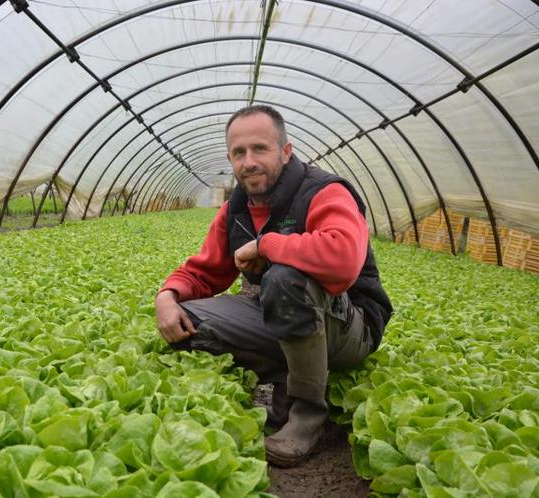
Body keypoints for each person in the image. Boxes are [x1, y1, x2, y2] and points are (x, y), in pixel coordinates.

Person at [154, 105, 392, 467]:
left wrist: (268, 245)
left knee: (285, 277)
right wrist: (167, 296)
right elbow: (206, 271)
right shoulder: (236, 209)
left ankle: (307, 417)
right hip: (286, 311)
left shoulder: (324, 192)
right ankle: (289, 371)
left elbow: (343, 260)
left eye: (260, 149)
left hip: (350, 325)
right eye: (239, 152)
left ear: (285, 151)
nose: (249, 161)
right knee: (185, 322)